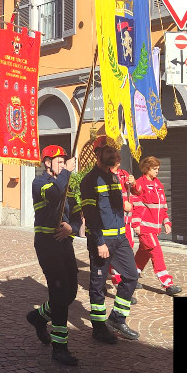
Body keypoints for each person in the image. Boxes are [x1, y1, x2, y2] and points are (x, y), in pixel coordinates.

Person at [81, 136, 139, 342]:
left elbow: (116, 207)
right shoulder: (89, 181)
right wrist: (99, 242)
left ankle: (117, 319)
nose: (113, 155)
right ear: (98, 154)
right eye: (108, 151)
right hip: (102, 241)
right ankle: (98, 328)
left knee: (131, 276)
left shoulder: (115, 178)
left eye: (114, 151)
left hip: (120, 238)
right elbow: (90, 214)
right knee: (98, 285)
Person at [27, 145, 82, 365]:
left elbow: (76, 215)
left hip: (64, 243)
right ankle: (60, 348)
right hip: (47, 244)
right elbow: (53, 194)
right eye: (59, 161)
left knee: (70, 293)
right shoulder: (40, 183)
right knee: (59, 295)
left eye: (64, 162)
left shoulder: (66, 184)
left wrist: (71, 228)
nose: (63, 164)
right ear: (47, 163)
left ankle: (38, 317)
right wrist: (67, 172)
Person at [132, 156, 182, 295]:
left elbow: (162, 206)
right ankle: (167, 284)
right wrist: (136, 224)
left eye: (158, 169)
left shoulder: (158, 184)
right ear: (146, 169)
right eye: (154, 169)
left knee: (143, 253)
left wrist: (166, 221)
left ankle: (131, 277)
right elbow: (136, 205)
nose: (157, 171)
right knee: (156, 253)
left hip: (154, 229)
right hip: (145, 228)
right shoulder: (139, 184)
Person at [108, 156, 141, 296]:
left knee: (128, 249)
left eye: (118, 159)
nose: (118, 162)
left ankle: (127, 277)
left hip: (126, 221)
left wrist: (134, 184)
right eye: (115, 159)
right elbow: (105, 198)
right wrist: (122, 205)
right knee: (116, 253)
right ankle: (118, 282)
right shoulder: (106, 175)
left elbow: (137, 192)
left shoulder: (125, 174)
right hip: (114, 221)